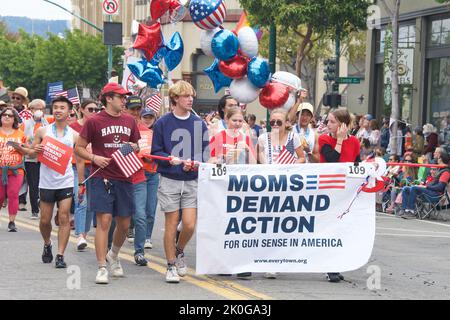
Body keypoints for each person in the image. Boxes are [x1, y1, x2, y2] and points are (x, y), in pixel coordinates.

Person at [75, 83, 140, 284]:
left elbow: (136, 146)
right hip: (100, 176)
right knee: (104, 221)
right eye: (121, 97)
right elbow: (79, 147)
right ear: (108, 98)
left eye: (125, 97)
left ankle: (114, 254)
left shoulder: (130, 120)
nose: (124, 100)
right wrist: (94, 158)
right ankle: (102, 266)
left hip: (124, 175)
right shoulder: (94, 121)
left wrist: (134, 146)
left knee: (124, 223)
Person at [151, 80, 209, 283]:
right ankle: (170, 265)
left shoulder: (199, 123)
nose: (190, 99)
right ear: (175, 98)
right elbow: (155, 152)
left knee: (190, 225)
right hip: (170, 180)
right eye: (186, 96)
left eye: (192, 95)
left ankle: (179, 250)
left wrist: (196, 162)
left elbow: (204, 151)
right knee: (171, 223)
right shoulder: (162, 123)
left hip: (192, 180)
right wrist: (171, 159)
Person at [21, 96, 80, 269]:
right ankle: (47, 243)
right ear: (51, 110)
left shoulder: (74, 135)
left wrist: (82, 181)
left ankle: (60, 255)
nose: (58, 110)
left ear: (69, 111)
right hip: (46, 182)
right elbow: (30, 153)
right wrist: (35, 150)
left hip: (66, 180)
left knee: (64, 217)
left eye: (62, 107)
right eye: (55, 107)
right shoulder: (42, 131)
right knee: (45, 220)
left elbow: (81, 158)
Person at [318, 108, 360, 282]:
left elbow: (357, 164)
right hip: (328, 189)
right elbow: (332, 160)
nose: (328, 124)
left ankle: (337, 263)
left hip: (346, 191)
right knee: (329, 227)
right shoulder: (323, 139)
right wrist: (340, 140)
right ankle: (329, 266)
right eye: (328, 121)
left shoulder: (355, 142)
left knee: (342, 228)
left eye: (332, 121)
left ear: (343, 124)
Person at [70, 99, 100, 251]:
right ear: (81, 110)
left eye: (96, 109)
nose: (94, 112)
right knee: (81, 200)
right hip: (76, 168)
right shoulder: (73, 127)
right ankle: (80, 235)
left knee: (91, 204)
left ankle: (85, 233)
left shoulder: (98, 125)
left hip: (95, 168)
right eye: (90, 109)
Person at [21, 99, 54, 220]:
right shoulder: (25, 124)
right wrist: (29, 145)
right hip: (31, 159)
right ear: (31, 110)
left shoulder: (49, 123)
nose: (39, 111)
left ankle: (43, 204)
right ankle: (34, 210)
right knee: (33, 184)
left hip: (46, 158)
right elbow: (21, 140)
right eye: (36, 108)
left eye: (41, 109)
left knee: (44, 184)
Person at [398, 152, 450, 219]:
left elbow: (440, 187)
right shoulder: (439, 169)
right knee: (406, 188)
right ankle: (404, 209)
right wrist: (423, 185)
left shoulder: (445, 172)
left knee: (414, 188)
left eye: (439, 157)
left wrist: (426, 186)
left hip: (435, 195)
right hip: (429, 191)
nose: (437, 159)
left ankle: (411, 211)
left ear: (441, 159)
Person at [0, 107, 27, 232]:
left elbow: (27, 150)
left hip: (16, 170)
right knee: (0, 196)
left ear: (14, 119)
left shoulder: (20, 134)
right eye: (4, 114)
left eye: (10, 116)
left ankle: (12, 221)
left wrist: (21, 148)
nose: (6, 117)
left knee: (13, 193)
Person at [140, 107, 159, 249]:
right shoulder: (135, 131)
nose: (148, 120)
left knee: (151, 209)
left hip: (153, 174)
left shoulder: (158, 133)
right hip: (138, 173)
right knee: (138, 209)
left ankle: (147, 237)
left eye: (150, 118)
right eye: (145, 117)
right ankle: (134, 232)